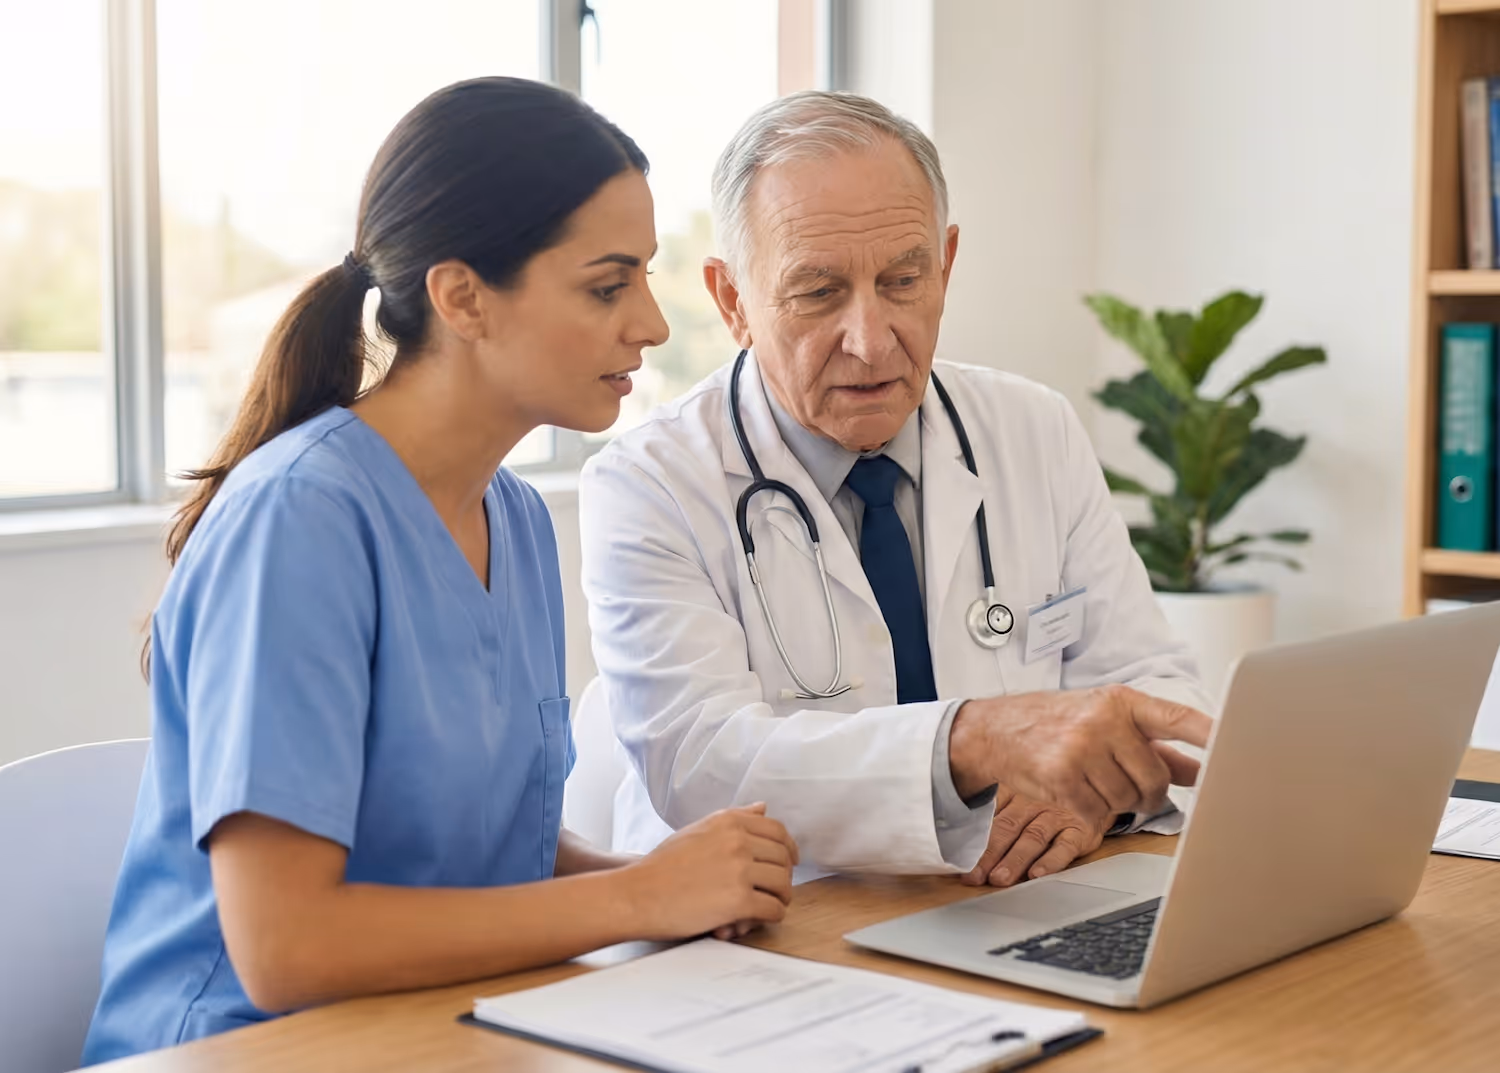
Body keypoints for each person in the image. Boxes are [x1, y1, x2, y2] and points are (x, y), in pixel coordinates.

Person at [83, 77, 798, 1065]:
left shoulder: (516, 518)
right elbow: (286, 947)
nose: (652, 323)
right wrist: (636, 896)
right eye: (607, 285)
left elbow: (480, 842)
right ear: (461, 296)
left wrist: (670, 884)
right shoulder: (300, 520)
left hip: (449, 1029)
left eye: (644, 278)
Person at [578, 90, 1214, 885]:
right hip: (772, 917)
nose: (871, 341)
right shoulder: (650, 482)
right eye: (818, 292)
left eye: (903, 279)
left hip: (1005, 897)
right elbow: (700, 763)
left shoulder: (1033, 429)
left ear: (946, 263)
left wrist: (1091, 800)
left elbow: (1159, 696)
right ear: (733, 299)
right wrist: (973, 739)